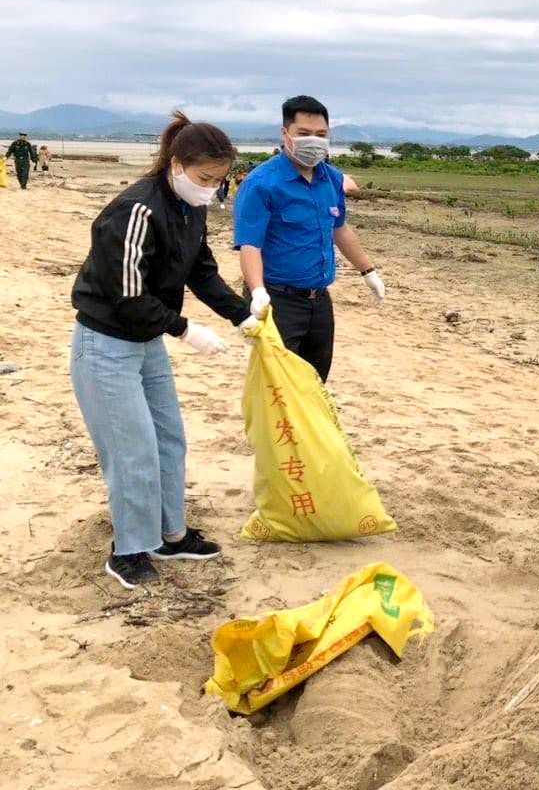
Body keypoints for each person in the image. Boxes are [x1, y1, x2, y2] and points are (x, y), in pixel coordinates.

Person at [70, 112, 256, 589]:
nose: (211, 189)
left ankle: (171, 535)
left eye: (219, 181)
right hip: (107, 342)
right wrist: (184, 330)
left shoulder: (190, 209)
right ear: (176, 165)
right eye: (204, 179)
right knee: (131, 448)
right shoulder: (136, 209)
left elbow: (202, 270)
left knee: (169, 439)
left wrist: (242, 315)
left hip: (146, 341)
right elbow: (126, 295)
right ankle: (129, 549)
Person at [233, 96, 385, 382]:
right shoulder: (261, 183)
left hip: (319, 301)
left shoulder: (331, 178)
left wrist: (368, 271)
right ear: (285, 134)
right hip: (278, 301)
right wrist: (257, 291)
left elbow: (339, 229)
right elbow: (250, 244)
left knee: (315, 383)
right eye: (304, 134)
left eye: (321, 135)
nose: (313, 141)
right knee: (280, 386)